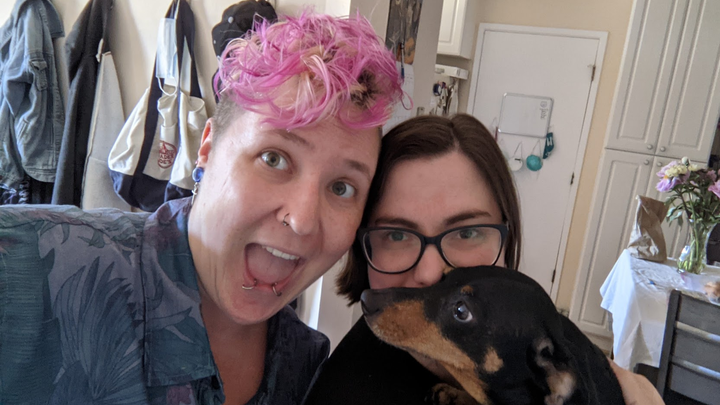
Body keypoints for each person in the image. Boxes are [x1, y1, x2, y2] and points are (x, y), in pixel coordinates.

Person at [0, 11, 402, 405]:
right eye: (274, 159)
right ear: (207, 148)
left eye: (342, 188)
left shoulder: (306, 366)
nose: (302, 219)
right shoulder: (29, 267)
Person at [302, 114, 663, 405]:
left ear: (507, 236)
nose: (431, 273)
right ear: (362, 246)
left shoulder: (538, 330)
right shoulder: (349, 390)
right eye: (396, 235)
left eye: (467, 232)